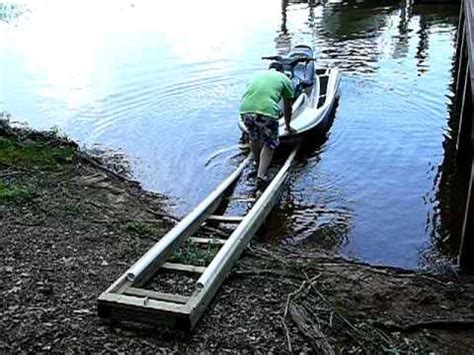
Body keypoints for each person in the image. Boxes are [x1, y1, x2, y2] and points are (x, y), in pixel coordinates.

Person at [239, 62, 295, 191]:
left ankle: (257, 161)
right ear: (281, 71)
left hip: (245, 110)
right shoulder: (285, 79)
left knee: (253, 137)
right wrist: (287, 126)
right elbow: (288, 107)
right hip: (267, 112)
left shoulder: (256, 74)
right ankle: (261, 176)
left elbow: (250, 93)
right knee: (270, 143)